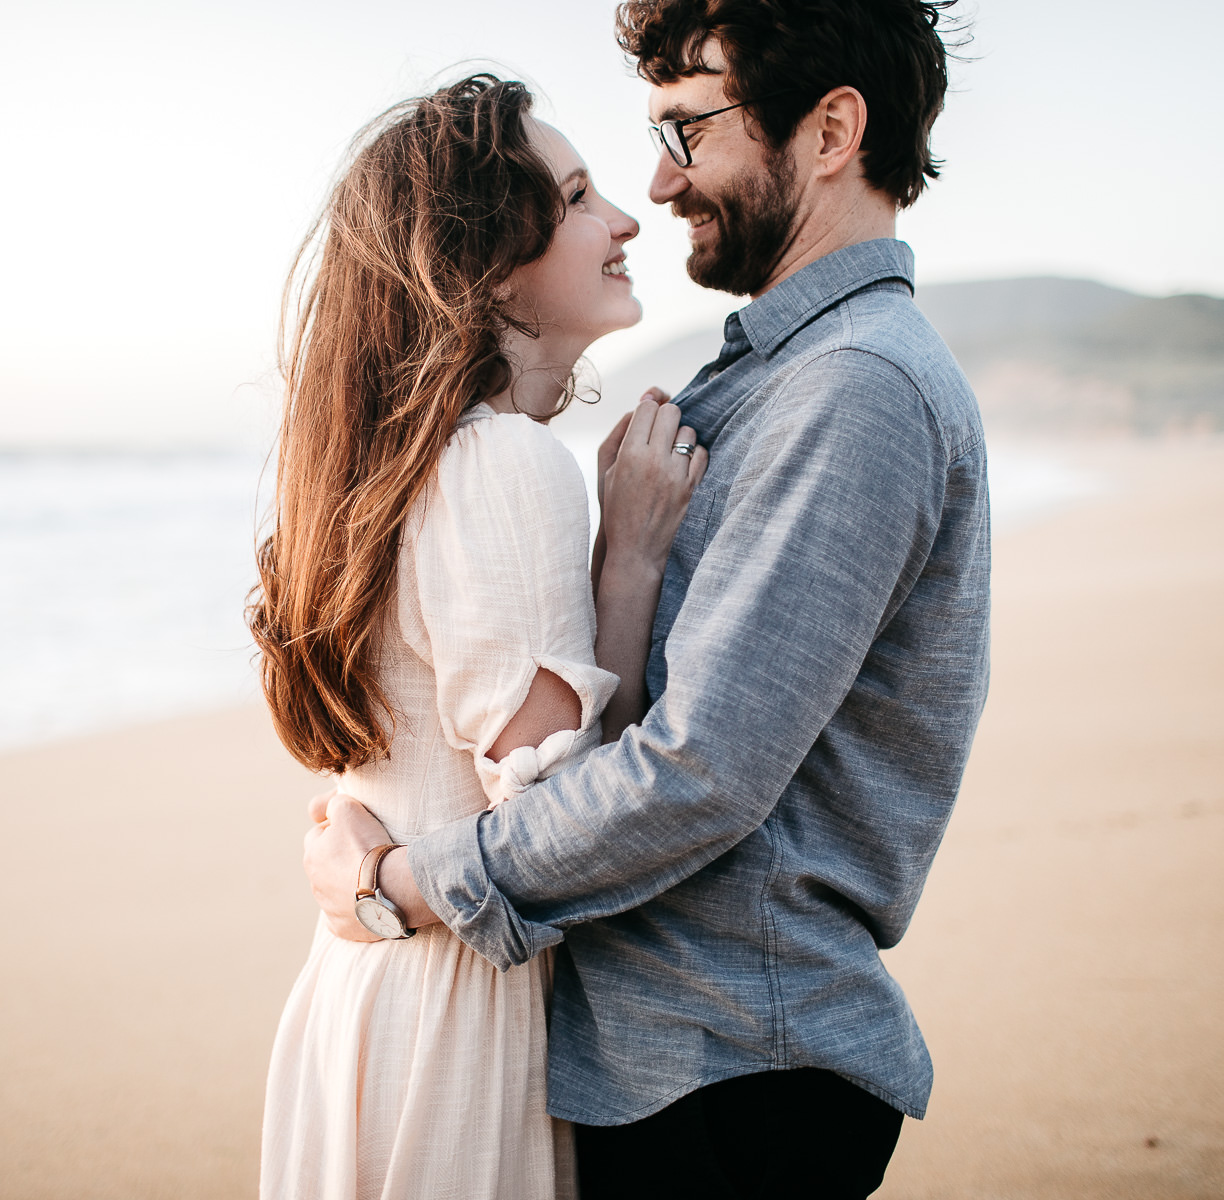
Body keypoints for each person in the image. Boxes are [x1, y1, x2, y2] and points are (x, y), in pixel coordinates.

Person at [302, 1, 987, 1196]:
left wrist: (403, 883)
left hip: (728, 1064)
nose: (659, 187)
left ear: (832, 133)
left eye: (688, 132)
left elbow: (697, 772)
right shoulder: (777, 380)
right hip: (666, 1060)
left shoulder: (853, 390)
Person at [249, 74, 709, 1199]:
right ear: (490, 261)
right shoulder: (504, 460)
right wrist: (631, 560)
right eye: (578, 197)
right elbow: (566, 817)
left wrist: (373, 880)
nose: (626, 219)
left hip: (368, 995)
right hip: (456, 1019)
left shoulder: (397, 468)